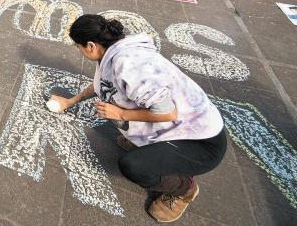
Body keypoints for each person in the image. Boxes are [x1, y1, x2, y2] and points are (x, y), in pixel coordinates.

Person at [50, 14, 226, 223]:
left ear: (90, 45)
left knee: (133, 166)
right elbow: (103, 86)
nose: (79, 51)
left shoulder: (129, 66)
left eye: (78, 47)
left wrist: (121, 114)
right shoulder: (112, 51)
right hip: (181, 127)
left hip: (201, 144)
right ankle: (148, 145)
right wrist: (70, 102)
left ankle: (184, 189)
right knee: (113, 108)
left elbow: (167, 113)